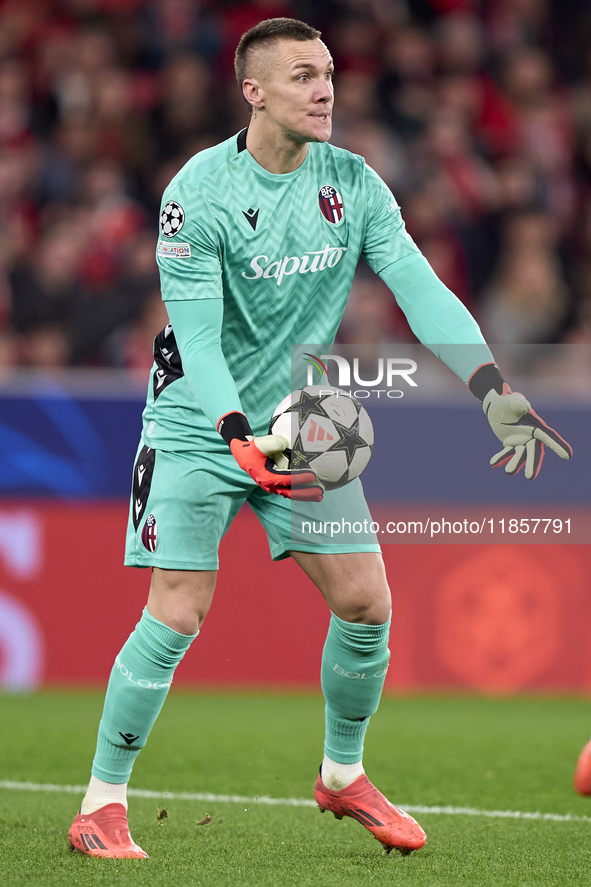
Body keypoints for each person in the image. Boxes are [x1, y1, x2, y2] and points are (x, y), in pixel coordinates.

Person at [68, 17, 573, 859]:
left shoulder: (354, 182)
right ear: (254, 91)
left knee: (367, 601)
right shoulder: (198, 192)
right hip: (200, 422)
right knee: (179, 608)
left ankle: (342, 774)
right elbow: (195, 337)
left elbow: (419, 286)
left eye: (328, 72)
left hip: (301, 420)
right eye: (302, 75)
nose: (325, 88)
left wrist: (493, 388)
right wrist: (235, 432)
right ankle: (101, 802)